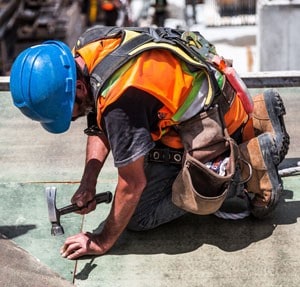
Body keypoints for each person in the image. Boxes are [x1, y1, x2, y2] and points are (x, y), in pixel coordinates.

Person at [9, 26, 289, 260]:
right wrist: (88, 181)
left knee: (139, 216)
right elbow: (98, 118)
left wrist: (102, 240)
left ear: (79, 88)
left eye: (66, 113)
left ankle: (246, 167)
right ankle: (258, 119)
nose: (69, 121)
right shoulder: (90, 46)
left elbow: (132, 184)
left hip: (214, 127)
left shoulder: (122, 103)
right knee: (136, 155)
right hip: (218, 98)